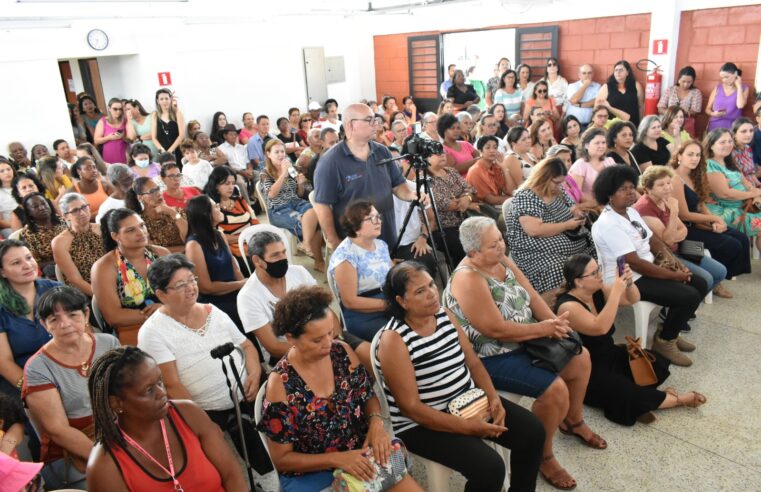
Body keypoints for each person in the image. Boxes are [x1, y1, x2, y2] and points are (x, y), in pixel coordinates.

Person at [443, 216, 603, 491]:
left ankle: (573, 421)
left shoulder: (501, 260)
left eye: (500, 240)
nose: (501, 247)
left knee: (581, 359)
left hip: (526, 339)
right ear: (473, 252)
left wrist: (555, 323)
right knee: (555, 391)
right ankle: (544, 455)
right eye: (493, 245)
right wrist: (544, 329)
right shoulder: (468, 277)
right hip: (490, 356)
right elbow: (494, 329)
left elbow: (532, 297)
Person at [377, 261, 544, 492]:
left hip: (467, 400)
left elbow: (473, 363)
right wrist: (467, 427)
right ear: (401, 301)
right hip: (422, 424)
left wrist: (493, 398)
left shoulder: (444, 314)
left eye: (431, 285)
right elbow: (411, 408)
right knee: (490, 468)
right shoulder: (394, 340)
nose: (432, 294)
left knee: (532, 432)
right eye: (420, 291)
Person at [258, 285, 421, 492]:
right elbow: (282, 459)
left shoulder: (341, 352)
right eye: (317, 339)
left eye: (330, 333)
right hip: (313, 472)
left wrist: (376, 424)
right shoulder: (280, 384)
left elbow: (368, 396)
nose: (329, 343)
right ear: (291, 338)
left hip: (359, 453)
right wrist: (339, 459)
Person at [555, 254, 706, 426]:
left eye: (599, 269)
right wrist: (616, 292)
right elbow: (600, 327)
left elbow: (632, 299)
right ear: (578, 281)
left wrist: (629, 283)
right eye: (594, 273)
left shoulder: (597, 289)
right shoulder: (567, 306)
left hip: (608, 353)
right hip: (587, 367)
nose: (600, 275)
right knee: (625, 392)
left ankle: (643, 402)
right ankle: (677, 400)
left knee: (657, 363)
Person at [137, 254, 262, 459]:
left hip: (247, 395)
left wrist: (254, 375)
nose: (191, 288)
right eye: (180, 285)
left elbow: (247, 346)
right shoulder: (152, 332)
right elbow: (171, 385)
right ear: (161, 294)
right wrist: (202, 422)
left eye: (192, 280)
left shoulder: (213, 311)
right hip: (204, 412)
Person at [591, 165, 707, 366]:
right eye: (623, 190)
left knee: (700, 283)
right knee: (689, 296)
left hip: (647, 267)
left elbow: (653, 241)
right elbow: (635, 263)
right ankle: (664, 341)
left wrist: (675, 264)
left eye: (631, 187)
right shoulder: (608, 223)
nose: (630, 193)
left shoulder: (630, 212)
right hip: (628, 278)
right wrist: (673, 276)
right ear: (609, 195)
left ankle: (670, 330)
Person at [86, 346, 247, 491]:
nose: (162, 393)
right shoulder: (104, 465)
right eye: (149, 390)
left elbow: (232, 476)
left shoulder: (188, 413)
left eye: (160, 382)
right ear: (116, 403)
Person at [23, 286, 120, 489]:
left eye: (72, 314)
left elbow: (127, 395)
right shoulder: (38, 368)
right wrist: (110, 460)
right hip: (73, 452)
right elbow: (58, 431)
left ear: (86, 314)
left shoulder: (109, 344)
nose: (65, 324)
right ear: (44, 325)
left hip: (119, 435)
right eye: (54, 319)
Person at [313, 103, 424, 250]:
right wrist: (335, 242)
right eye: (369, 120)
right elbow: (323, 206)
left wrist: (411, 195)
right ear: (351, 125)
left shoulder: (382, 151)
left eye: (375, 120)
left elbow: (397, 184)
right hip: (356, 242)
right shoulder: (330, 162)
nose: (376, 124)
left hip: (386, 234)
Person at [633, 165, 728, 296]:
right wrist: (674, 213)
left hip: (681, 246)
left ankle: (694, 298)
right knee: (707, 279)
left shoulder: (665, 199)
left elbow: (683, 230)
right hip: (665, 255)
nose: (667, 187)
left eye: (668, 183)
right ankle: (688, 301)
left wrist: (674, 236)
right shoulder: (644, 208)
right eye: (661, 185)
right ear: (648, 189)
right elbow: (667, 241)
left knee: (720, 271)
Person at [507, 157, 596, 293]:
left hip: (568, 241)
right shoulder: (527, 196)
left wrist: (578, 214)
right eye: (556, 182)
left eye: (562, 182)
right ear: (543, 178)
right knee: (559, 267)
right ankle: (560, 304)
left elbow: (572, 207)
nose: (559, 186)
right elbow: (534, 230)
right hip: (533, 252)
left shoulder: (557, 191)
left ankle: (586, 298)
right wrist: (566, 225)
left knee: (591, 257)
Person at [670, 140, 750, 284]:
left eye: (698, 155)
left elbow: (701, 205)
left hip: (697, 224)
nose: (695, 158)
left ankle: (723, 276)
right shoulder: (675, 178)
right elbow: (684, 214)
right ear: (679, 156)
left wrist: (714, 221)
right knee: (731, 244)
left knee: (741, 238)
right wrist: (715, 219)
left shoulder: (695, 175)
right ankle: (717, 279)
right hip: (683, 231)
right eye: (690, 154)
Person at [91, 208, 170, 345]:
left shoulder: (162, 254)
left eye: (142, 225)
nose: (141, 232)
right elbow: (114, 316)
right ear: (115, 236)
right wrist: (162, 311)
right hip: (131, 330)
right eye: (131, 230)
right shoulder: (104, 267)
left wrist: (166, 310)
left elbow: (181, 292)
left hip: (169, 319)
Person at [0, 239, 61, 396]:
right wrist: (33, 389)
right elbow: (4, 362)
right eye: (16, 263)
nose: (27, 265)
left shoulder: (57, 291)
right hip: (20, 381)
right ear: (2, 272)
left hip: (65, 370)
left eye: (28, 258)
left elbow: (83, 335)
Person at [328, 201, 392, 341]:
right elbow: (350, 302)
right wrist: (389, 304)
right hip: (362, 314)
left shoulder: (381, 245)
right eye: (371, 218)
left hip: (388, 302)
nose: (378, 221)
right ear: (355, 227)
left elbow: (392, 277)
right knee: (396, 338)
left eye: (378, 216)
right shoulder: (345, 256)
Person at [184, 195, 246, 330]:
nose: (220, 208)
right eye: (215, 206)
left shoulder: (219, 235)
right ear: (206, 214)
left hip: (234, 292)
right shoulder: (194, 245)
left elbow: (235, 269)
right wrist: (241, 284)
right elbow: (206, 287)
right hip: (215, 302)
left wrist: (245, 291)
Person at [261, 139, 324, 270]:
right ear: (268, 154)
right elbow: (271, 194)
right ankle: (319, 261)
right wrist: (283, 173)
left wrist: (300, 184)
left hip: (296, 202)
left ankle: (306, 244)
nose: (281, 155)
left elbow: (299, 194)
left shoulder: (292, 169)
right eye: (276, 152)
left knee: (314, 212)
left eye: (282, 151)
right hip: (278, 209)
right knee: (309, 223)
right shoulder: (265, 173)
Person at [704, 129, 761, 250]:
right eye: (722, 142)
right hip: (727, 210)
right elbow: (724, 194)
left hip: (744, 204)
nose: (728, 145)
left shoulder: (729, 162)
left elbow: (747, 184)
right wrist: (751, 193)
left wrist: (754, 193)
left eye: (730, 141)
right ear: (711, 145)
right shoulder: (710, 165)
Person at [51, 193, 104, 296]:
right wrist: (102, 296)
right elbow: (75, 279)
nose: (82, 213)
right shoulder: (60, 242)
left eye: (84, 207)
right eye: (75, 211)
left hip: (113, 282)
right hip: (86, 292)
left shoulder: (101, 228)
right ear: (66, 216)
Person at [205, 166, 259, 262]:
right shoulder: (213, 208)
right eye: (227, 184)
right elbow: (218, 237)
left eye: (233, 183)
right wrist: (244, 237)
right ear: (216, 185)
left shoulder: (239, 200)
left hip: (252, 240)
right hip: (233, 248)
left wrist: (255, 236)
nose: (231, 187)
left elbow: (254, 220)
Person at [125, 177, 187, 253]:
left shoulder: (177, 211)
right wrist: (185, 248)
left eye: (158, 189)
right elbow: (153, 251)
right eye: (152, 191)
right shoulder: (140, 222)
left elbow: (188, 238)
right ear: (140, 198)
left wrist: (173, 213)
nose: (158, 193)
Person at [18, 193, 66, 278]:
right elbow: (33, 262)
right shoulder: (27, 234)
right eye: (35, 206)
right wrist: (62, 261)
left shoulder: (61, 221)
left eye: (44, 203)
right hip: (53, 268)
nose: (42, 208)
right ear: (29, 212)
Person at [569, 128, 616, 203]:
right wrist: (600, 205)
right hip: (591, 208)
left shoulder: (610, 161)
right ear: (586, 146)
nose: (601, 146)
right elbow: (577, 194)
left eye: (603, 143)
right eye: (597, 143)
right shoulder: (579, 165)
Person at [595, 60, 644, 127]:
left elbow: (640, 106)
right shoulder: (606, 87)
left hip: (632, 125)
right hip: (612, 126)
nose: (618, 72)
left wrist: (641, 124)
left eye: (621, 70)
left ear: (627, 72)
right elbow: (597, 107)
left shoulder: (636, 85)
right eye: (616, 70)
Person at [467, 136, 513, 206]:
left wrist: (504, 168)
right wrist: (513, 199)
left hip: (498, 206)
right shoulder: (476, 171)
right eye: (488, 148)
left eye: (495, 148)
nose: (492, 150)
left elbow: (509, 191)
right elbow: (491, 200)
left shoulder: (495, 167)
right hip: (485, 210)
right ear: (480, 151)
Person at [657, 66, 702, 138]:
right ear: (679, 80)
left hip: (686, 125)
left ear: (693, 81)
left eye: (689, 82)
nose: (686, 84)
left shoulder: (696, 92)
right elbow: (660, 107)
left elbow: (696, 111)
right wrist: (672, 114)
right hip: (668, 124)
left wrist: (686, 112)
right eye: (683, 81)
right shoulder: (670, 90)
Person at [706, 62, 748, 132]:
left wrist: (739, 86)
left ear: (735, 74)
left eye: (726, 77)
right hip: (714, 125)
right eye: (722, 78)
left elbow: (740, 105)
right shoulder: (718, 88)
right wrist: (713, 113)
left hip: (733, 127)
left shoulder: (744, 88)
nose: (724, 80)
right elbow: (707, 109)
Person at [151, 88, 186, 164]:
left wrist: (170, 151)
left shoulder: (177, 112)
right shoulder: (155, 115)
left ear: (170, 99)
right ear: (157, 101)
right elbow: (154, 137)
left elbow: (181, 135)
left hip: (177, 150)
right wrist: (162, 150)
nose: (164, 101)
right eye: (161, 99)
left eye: (166, 98)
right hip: (163, 151)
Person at [94, 98, 129, 165]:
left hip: (124, 156)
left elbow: (131, 139)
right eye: (115, 109)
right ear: (109, 109)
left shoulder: (125, 121)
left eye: (120, 109)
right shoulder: (103, 121)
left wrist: (123, 137)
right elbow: (96, 141)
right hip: (109, 157)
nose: (118, 111)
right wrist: (109, 138)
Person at [731, 117, 759, 187]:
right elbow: (738, 179)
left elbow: (751, 174)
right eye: (744, 131)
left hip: (752, 187)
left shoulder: (747, 148)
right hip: (741, 190)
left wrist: (759, 185)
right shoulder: (730, 151)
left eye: (751, 130)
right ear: (734, 134)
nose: (749, 134)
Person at [0, 160, 16, 238]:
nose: (7, 172)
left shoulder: (22, 185)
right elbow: (0, 222)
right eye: (2, 171)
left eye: (8, 169)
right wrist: (17, 224)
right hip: (9, 226)